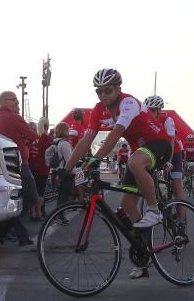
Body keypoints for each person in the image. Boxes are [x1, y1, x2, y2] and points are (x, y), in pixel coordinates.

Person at [63, 68, 172, 279]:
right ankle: (143, 257)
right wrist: (66, 168)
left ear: (118, 89)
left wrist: (97, 157)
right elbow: (86, 140)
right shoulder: (97, 110)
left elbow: (116, 134)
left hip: (159, 143)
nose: (103, 95)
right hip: (138, 152)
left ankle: (154, 210)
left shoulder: (128, 103)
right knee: (128, 205)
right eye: (99, 91)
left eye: (108, 90)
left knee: (134, 161)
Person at [0, 91, 38, 248]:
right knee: (32, 197)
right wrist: (25, 139)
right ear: (3, 101)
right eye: (14, 101)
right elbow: (34, 135)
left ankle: (16, 233)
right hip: (19, 164)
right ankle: (6, 228)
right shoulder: (14, 118)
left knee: (12, 199)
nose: (17, 103)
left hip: (3, 166)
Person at [30, 117, 53, 220]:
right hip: (43, 169)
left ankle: (32, 212)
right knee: (40, 192)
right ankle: (38, 213)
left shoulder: (34, 138)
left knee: (33, 191)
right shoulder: (48, 139)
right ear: (47, 126)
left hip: (32, 167)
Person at [48, 122, 73, 207]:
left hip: (56, 171)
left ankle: (58, 215)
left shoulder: (55, 142)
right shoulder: (65, 144)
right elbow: (69, 160)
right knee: (64, 196)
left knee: (60, 195)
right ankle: (60, 215)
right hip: (65, 172)